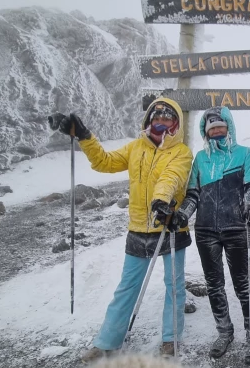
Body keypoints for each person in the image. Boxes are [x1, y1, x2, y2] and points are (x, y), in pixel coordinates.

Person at [52, 98, 193, 362]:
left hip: (170, 226)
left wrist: (160, 201)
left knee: (174, 285)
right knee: (127, 286)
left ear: (176, 123)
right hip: (139, 227)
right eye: (156, 116)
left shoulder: (182, 152)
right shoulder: (136, 147)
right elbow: (104, 162)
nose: (160, 121)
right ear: (149, 119)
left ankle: (170, 339)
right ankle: (107, 341)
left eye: (167, 117)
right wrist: (84, 136)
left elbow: (172, 177)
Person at [177, 106, 250, 363]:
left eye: (220, 126)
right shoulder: (200, 159)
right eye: (211, 128)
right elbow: (193, 193)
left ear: (229, 127)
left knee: (243, 286)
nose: (216, 131)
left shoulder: (245, 154)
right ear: (205, 131)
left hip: (236, 228)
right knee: (214, 286)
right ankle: (224, 332)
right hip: (205, 230)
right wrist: (183, 213)